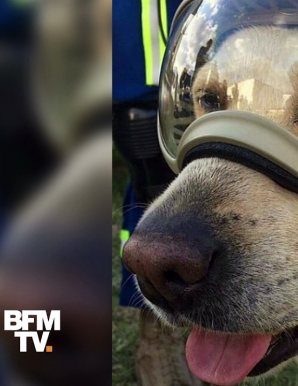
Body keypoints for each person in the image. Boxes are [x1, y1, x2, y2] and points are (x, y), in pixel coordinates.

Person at [113, 0, 200, 384]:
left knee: (182, 192)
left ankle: (175, 329)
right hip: (129, 59)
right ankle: (156, 338)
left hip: (194, 46)